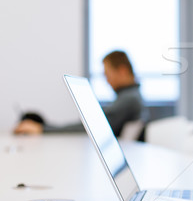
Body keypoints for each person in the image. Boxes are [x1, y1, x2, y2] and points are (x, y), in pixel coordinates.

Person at [14, 50, 145, 138]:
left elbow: (93, 128)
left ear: (122, 71)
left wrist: (43, 130)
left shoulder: (130, 99)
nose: (107, 80)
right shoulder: (130, 97)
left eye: (107, 74)